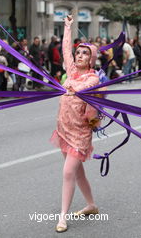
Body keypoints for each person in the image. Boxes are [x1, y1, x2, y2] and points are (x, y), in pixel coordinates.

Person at [50, 15, 99, 233]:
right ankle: (91, 205)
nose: (79, 55)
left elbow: (84, 88)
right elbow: (65, 47)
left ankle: (63, 217)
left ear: (91, 59)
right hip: (63, 130)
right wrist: (67, 26)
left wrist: (73, 89)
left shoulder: (93, 79)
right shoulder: (70, 71)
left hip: (80, 133)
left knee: (68, 172)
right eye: (78, 52)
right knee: (78, 173)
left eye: (85, 53)